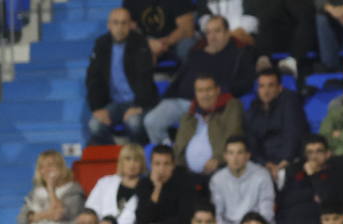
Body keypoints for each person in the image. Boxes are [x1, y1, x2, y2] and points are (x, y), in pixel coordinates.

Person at [143, 14, 252, 145]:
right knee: (150, 121)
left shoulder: (238, 55)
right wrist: (167, 96)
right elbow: (180, 76)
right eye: (208, 32)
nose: (212, 36)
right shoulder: (196, 52)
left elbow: (245, 83)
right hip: (178, 100)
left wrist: (220, 94)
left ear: (227, 33)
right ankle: (168, 154)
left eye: (217, 31)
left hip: (207, 106)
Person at [85, 7, 157, 146]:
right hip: (114, 103)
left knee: (134, 123)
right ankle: (114, 154)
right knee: (95, 125)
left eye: (124, 23)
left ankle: (137, 156)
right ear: (109, 25)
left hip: (138, 102)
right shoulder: (101, 44)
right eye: (116, 23)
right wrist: (97, 108)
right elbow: (93, 78)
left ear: (130, 25)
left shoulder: (140, 43)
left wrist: (139, 105)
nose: (120, 27)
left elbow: (145, 77)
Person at [130, 144, 196, 224]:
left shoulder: (184, 181)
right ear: (151, 165)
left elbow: (185, 216)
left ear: (173, 165)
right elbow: (142, 219)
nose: (161, 169)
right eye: (157, 164)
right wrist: (157, 189)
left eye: (166, 164)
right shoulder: (144, 184)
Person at [171, 75, 245, 178]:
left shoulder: (230, 106)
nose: (205, 95)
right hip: (187, 174)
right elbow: (179, 147)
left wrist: (218, 159)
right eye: (200, 91)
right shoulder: (189, 116)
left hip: (219, 171)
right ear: (195, 94)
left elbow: (234, 136)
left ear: (217, 90)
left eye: (208, 89)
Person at [246, 70, 306, 184]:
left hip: (289, 159)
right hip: (264, 163)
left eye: (271, 85)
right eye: (262, 86)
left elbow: (292, 133)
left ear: (279, 88)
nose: (266, 91)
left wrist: (285, 160)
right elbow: (251, 141)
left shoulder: (290, 102)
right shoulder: (252, 110)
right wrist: (264, 163)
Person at [275, 135, 336, 224]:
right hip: (290, 220)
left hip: (316, 222)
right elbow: (285, 199)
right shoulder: (293, 170)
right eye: (310, 152)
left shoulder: (333, 173)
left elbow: (327, 201)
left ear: (328, 154)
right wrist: (311, 195)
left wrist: (313, 175)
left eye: (319, 151)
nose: (314, 157)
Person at [210, 136, 275, 224]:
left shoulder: (262, 175)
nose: (235, 158)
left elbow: (267, 211)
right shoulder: (217, 179)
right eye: (231, 153)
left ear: (248, 155)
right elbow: (217, 213)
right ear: (225, 156)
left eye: (239, 153)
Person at [85, 142, 147, 224]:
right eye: (128, 159)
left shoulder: (146, 187)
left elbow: (141, 218)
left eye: (136, 160)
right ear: (121, 162)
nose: (132, 164)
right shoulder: (105, 182)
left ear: (142, 164)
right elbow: (90, 208)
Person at [126, 0, 198, 62]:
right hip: (147, 40)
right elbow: (127, 28)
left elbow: (187, 29)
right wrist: (147, 44)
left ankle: (189, 77)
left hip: (175, 41)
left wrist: (163, 43)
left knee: (188, 45)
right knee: (131, 45)